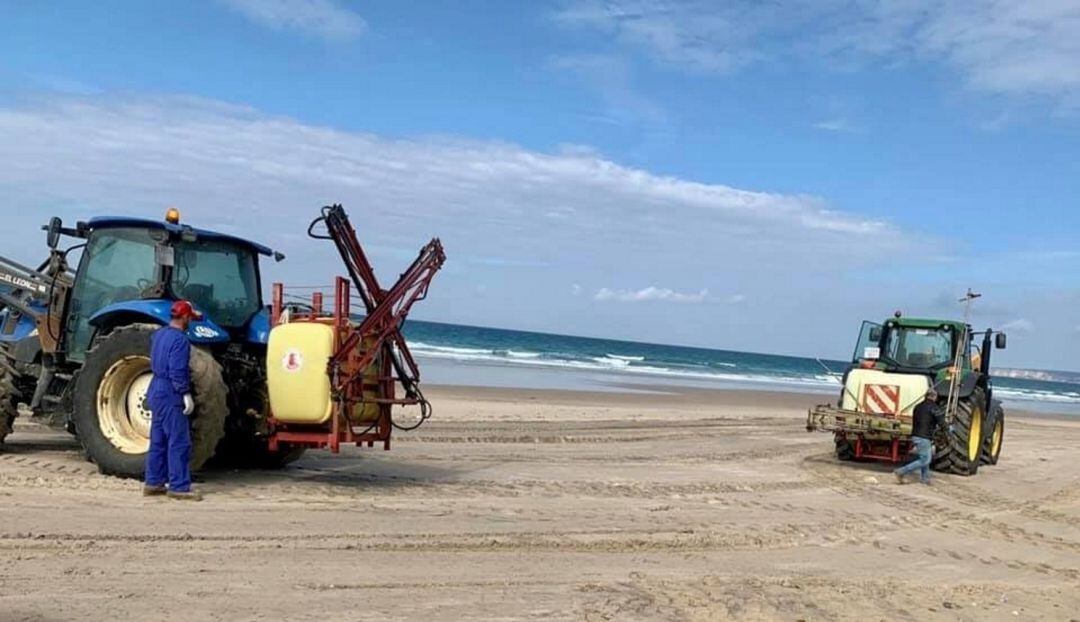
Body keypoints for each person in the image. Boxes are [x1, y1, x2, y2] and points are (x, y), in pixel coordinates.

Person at [143, 300, 203, 501]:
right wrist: (185, 393)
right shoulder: (180, 340)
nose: (190, 323)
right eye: (190, 319)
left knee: (158, 440)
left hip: (155, 388)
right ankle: (178, 486)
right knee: (179, 441)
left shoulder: (159, 335)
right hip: (170, 392)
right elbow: (177, 370)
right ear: (185, 317)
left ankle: (153, 483)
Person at [894, 388, 944, 485]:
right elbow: (941, 422)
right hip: (924, 437)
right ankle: (901, 472)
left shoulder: (918, 406)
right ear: (934, 397)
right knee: (925, 460)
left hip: (915, 435)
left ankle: (925, 479)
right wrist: (947, 431)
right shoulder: (934, 407)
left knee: (924, 456)